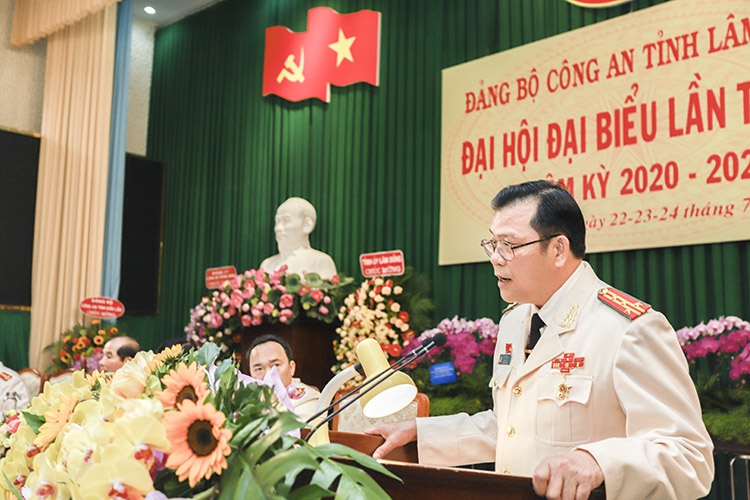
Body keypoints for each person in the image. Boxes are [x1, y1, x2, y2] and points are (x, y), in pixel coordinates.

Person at [366, 180, 714, 500]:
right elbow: (513, 428)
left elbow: (689, 456)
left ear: (559, 249)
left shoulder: (629, 328)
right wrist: (421, 432)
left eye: (509, 245)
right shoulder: (516, 320)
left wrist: (597, 461)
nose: (494, 258)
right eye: (492, 243)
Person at [259, 197, 338, 280]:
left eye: (286, 220)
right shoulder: (267, 264)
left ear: (307, 224)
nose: (278, 228)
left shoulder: (320, 261)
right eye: (277, 221)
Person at [247, 334, 320, 421]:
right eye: (259, 369)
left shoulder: (308, 398)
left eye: (275, 365)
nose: (268, 375)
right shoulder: (243, 401)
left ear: (291, 368)